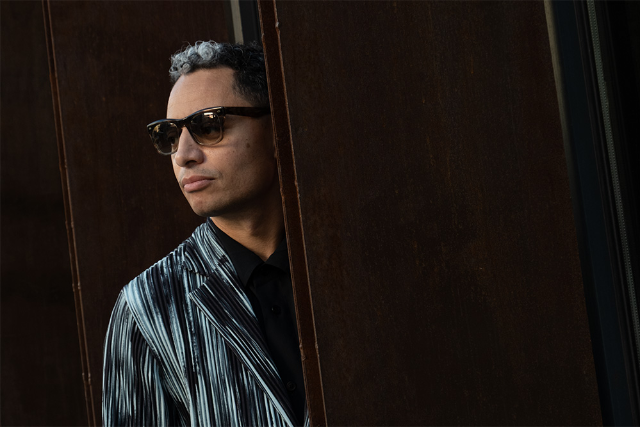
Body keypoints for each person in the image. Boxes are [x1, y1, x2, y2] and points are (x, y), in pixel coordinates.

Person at [102, 41, 306, 426]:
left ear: (276, 129)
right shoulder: (146, 308)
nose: (183, 155)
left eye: (208, 125)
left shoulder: (356, 263)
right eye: (169, 135)